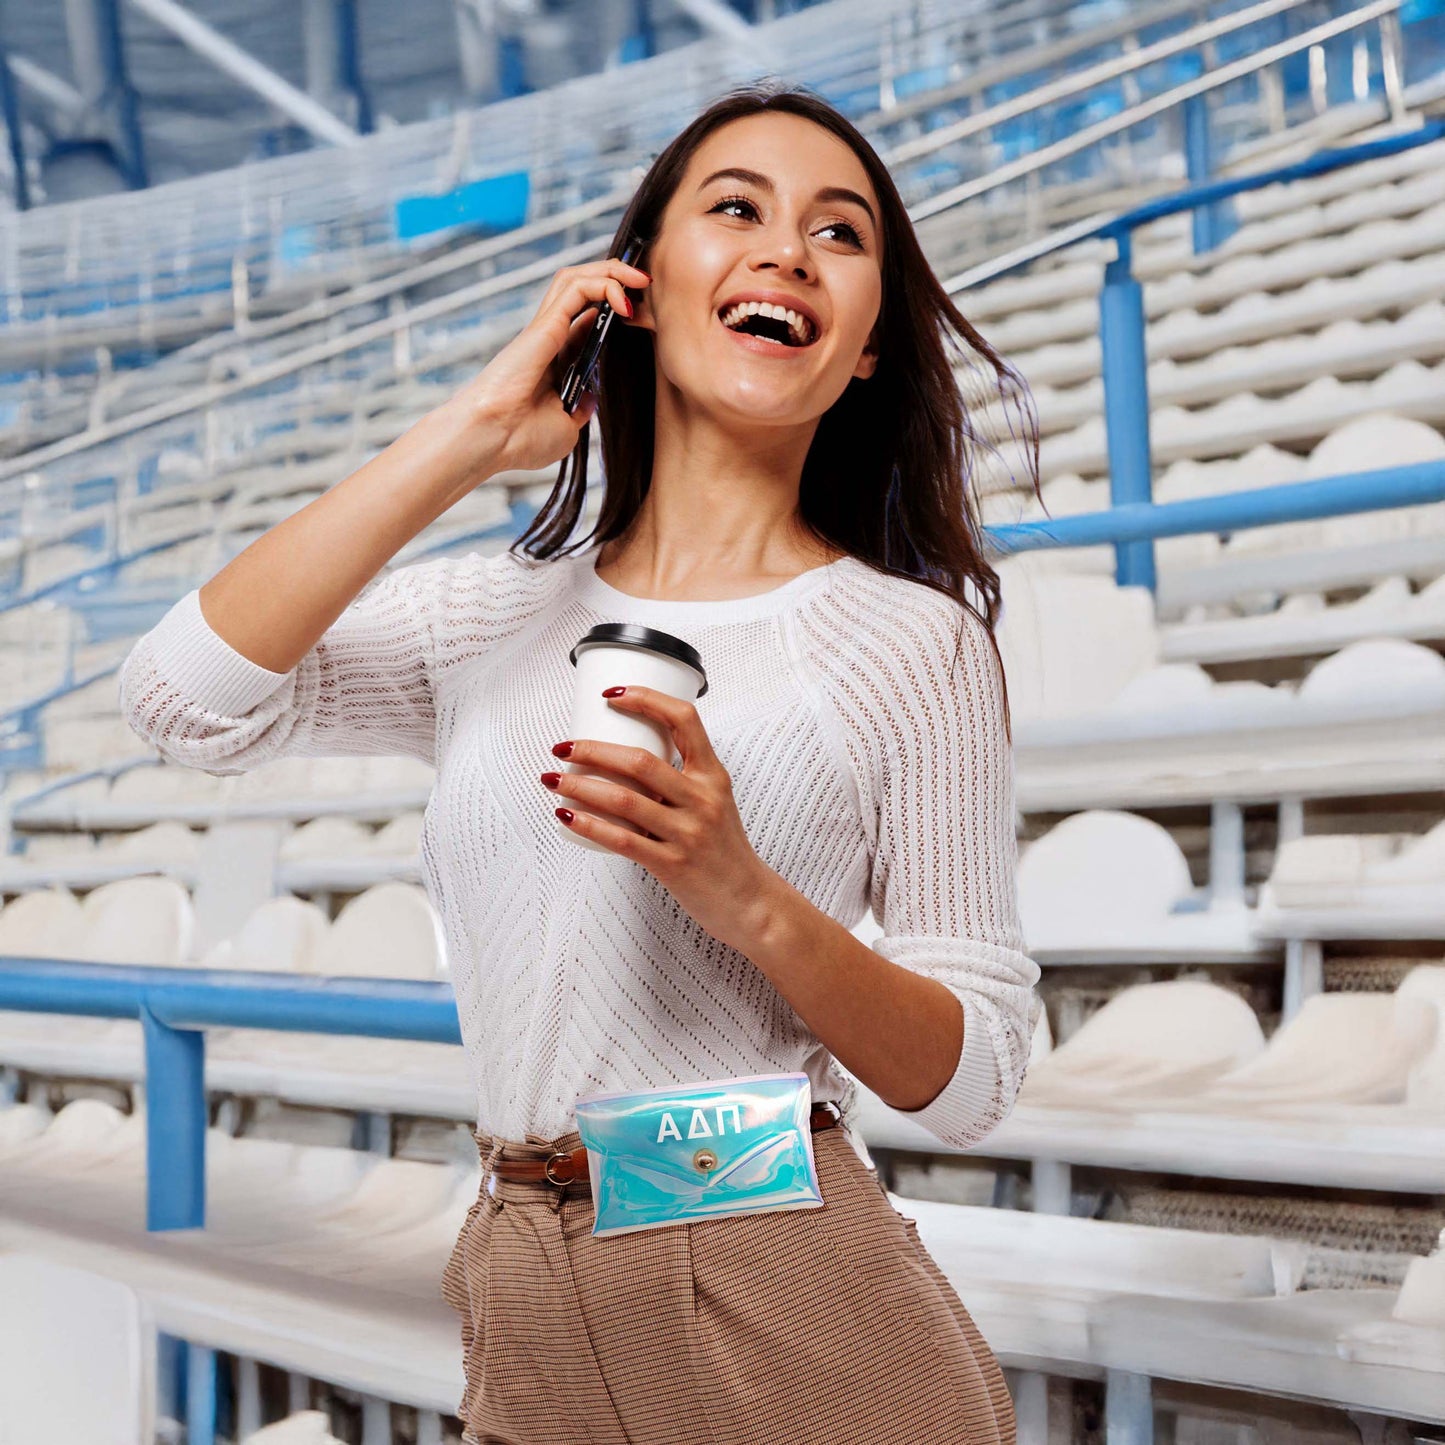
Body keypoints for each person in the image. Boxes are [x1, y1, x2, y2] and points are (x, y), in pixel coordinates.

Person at [119, 79, 1044, 1445]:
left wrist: (745, 894)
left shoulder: (909, 644)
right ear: (643, 290)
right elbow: (178, 701)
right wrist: (474, 437)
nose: (786, 249)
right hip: (522, 1269)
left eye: (838, 234)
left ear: (859, 355)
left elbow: (974, 1077)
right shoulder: (483, 613)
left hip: (777, 1266)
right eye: (735, 209)